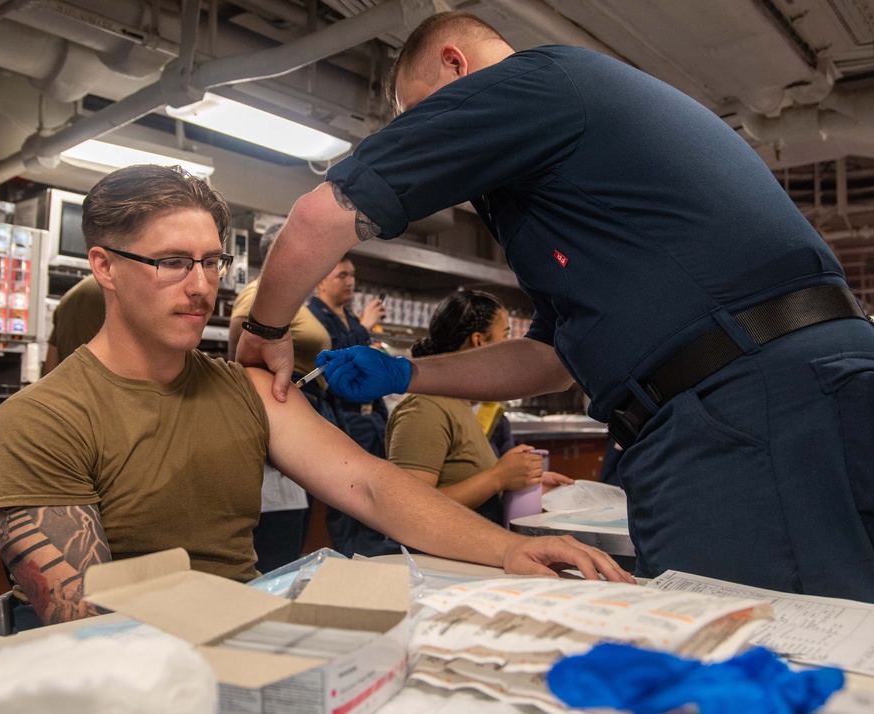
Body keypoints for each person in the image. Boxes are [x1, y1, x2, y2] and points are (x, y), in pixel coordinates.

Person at [236, 11, 874, 601]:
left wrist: (265, 327)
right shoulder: (571, 170)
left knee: (756, 656)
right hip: (807, 381)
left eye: (423, 116)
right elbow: (551, 360)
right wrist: (410, 373)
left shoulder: (532, 83)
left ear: (457, 67)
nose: (429, 140)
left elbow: (322, 213)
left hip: (746, 405)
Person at [0, 164, 631, 627]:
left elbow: (372, 485)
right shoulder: (40, 422)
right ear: (105, 267)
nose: (202, 286)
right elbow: (87, 617)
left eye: (212, 262)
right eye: (173, 262)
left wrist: (509, 550)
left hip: (250, 636)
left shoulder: (249, 391)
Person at [386, 290, 572, 526]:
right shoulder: (426, 406)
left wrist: (522, 483)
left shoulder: (459, 404)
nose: (510, 348)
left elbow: (469, 483)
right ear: (479, 341)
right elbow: (407, 509)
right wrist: (498, 478)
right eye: (505, 336)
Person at [228, 225, 328, 572]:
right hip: (274, 409)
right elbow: (242, 354)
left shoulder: (294, 300)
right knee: (276, 546)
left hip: (295, 408)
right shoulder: (258, 293)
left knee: (291, 536)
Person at [307, 257, 392, 557]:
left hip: (371, 421)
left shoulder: (350, 318)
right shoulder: (311, 317)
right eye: (342, 274)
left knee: (376, 508)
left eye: (353, 275)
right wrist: (364, 327)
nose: (350, 281)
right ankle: (351, 570)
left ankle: (372, 569)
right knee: (347, 508)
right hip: (341, 421)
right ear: (320, 281)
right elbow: (329, 359)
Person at [42, 274, 105, 375]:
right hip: (102, 387)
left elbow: (51, 365)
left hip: (65, 386)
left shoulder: (67, 298)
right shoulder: (115, 290)